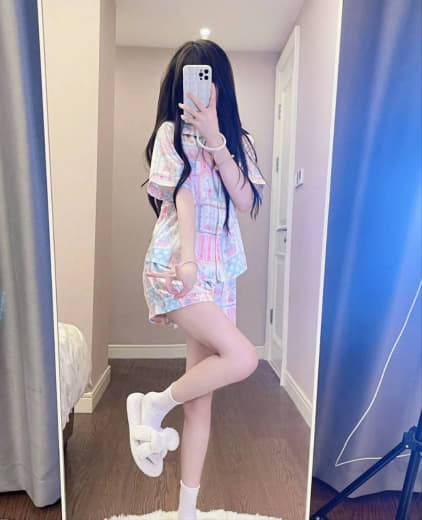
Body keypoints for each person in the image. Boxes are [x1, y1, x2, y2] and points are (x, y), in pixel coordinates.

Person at [127, 39, 267, 520]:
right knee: (244, 357)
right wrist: (187, 261)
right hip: (176, 266)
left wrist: (217, 140)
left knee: (200, 401)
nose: (200, 90)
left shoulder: (236, 140)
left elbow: (246, 201)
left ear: (220, 86)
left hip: (220, 275)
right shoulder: (170, 134)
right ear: (178, 87)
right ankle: (152, 404)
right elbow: (182, 197)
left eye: (207, 80)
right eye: (191, 80)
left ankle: (187, 512)